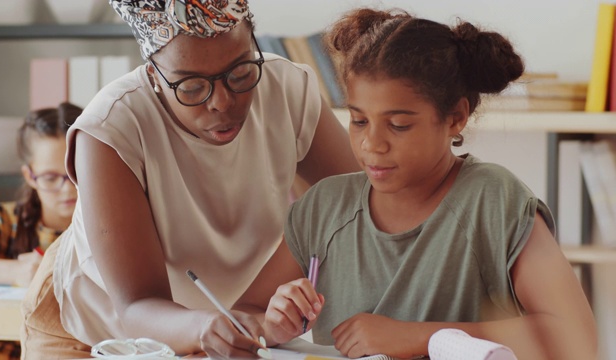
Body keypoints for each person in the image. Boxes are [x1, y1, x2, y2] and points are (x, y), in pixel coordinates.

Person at [234, 8, 598, 360]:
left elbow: (574, 338)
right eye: (359, 121)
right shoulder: (323, 208)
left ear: (455, 117)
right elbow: (243, 315)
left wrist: (414, 336)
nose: (371, 144)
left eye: (399, 125)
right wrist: (271, 324)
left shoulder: (493, 200)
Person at [19, 1, 358, 359]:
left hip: (219, 322)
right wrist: (211, 326)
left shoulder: (288, 88)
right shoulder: (109, 130)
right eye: (192, 87)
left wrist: (254, 314)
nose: (223, 102)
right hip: (90, 326)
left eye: (241, 72)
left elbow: (361, 204)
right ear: (153, 73)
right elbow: (137, 305)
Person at [0, 102, 80, 360]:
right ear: (30, 176)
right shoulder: (3, 220)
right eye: (50, 178)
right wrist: (17, 271)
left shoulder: (109, 228)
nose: (66, 189)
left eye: (75, 172)